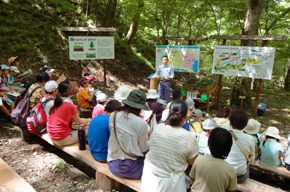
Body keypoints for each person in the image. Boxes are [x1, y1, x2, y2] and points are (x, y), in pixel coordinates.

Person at [141, 100, 198, 192]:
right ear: (185, 117)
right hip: (170, 184)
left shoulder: (158, 127)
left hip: (148, 178)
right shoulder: (189, 137)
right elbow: (193, 162)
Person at [107, 89, 149, 179]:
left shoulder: (113, 115)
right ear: (140, 107)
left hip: (113, 164)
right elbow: (143, 149)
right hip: (132, 169)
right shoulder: (141, 124)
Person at [190, 128, 237, 192]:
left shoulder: (199, 160)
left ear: (209, 144)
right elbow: (232, 190)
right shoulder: (230, 169)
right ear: (229, 148)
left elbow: (192, 179)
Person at [47, 81, 90, 146]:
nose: (72, 89)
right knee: (89, 129)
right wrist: (89, 119)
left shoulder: (56, 101)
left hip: (52, 135)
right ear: (66, 92)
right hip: (61, 138)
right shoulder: (68, 105)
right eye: (70, 88)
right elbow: (80, 121)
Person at [225, 110, 255, 183]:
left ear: (230, 122)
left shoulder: (224, 134)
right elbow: (252, 158)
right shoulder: (250, 139)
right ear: (245, 124)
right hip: (239, 177)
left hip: (224, 172)